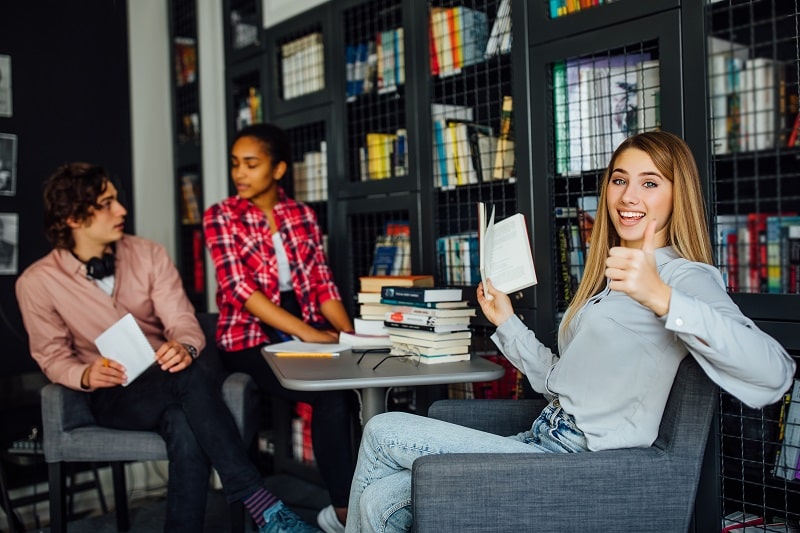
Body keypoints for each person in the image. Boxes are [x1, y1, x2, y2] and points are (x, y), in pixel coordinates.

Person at [344, 131, 797, 533]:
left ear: (678, 196)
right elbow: (560, 382)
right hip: (540, 439)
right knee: (379, 503)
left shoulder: (684, 277)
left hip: (574, 464)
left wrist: (661, 297)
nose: (628, 196)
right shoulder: (612, 280)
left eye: (650, 182)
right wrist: (506, 321)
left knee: (384, 429)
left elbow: (774, 373)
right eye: (619, 180)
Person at [15, 162, 321, 533]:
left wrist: (185, 346)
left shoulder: (149, 253)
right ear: (74, 218)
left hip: (173, 374)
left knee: (184, 420)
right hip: (114, 393)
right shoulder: (37, 282)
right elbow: (52, 355)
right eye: (107, 203)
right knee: (190, 382)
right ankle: (262, 504)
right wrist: (84, 372)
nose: (122, 210)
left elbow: (182, 320)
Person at [203, 123, 356, 533]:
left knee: (345, 391)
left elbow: (322, 283)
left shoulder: (302, 215)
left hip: (301, 322)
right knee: (326, 394)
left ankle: (354, 506)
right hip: (248, 335)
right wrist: (308, 333)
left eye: (251, 164)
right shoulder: (221, 215)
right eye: (236, 164)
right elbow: (239, 290)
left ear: (279, 168)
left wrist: (352, 336)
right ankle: (347, 515)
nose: (240, 173)